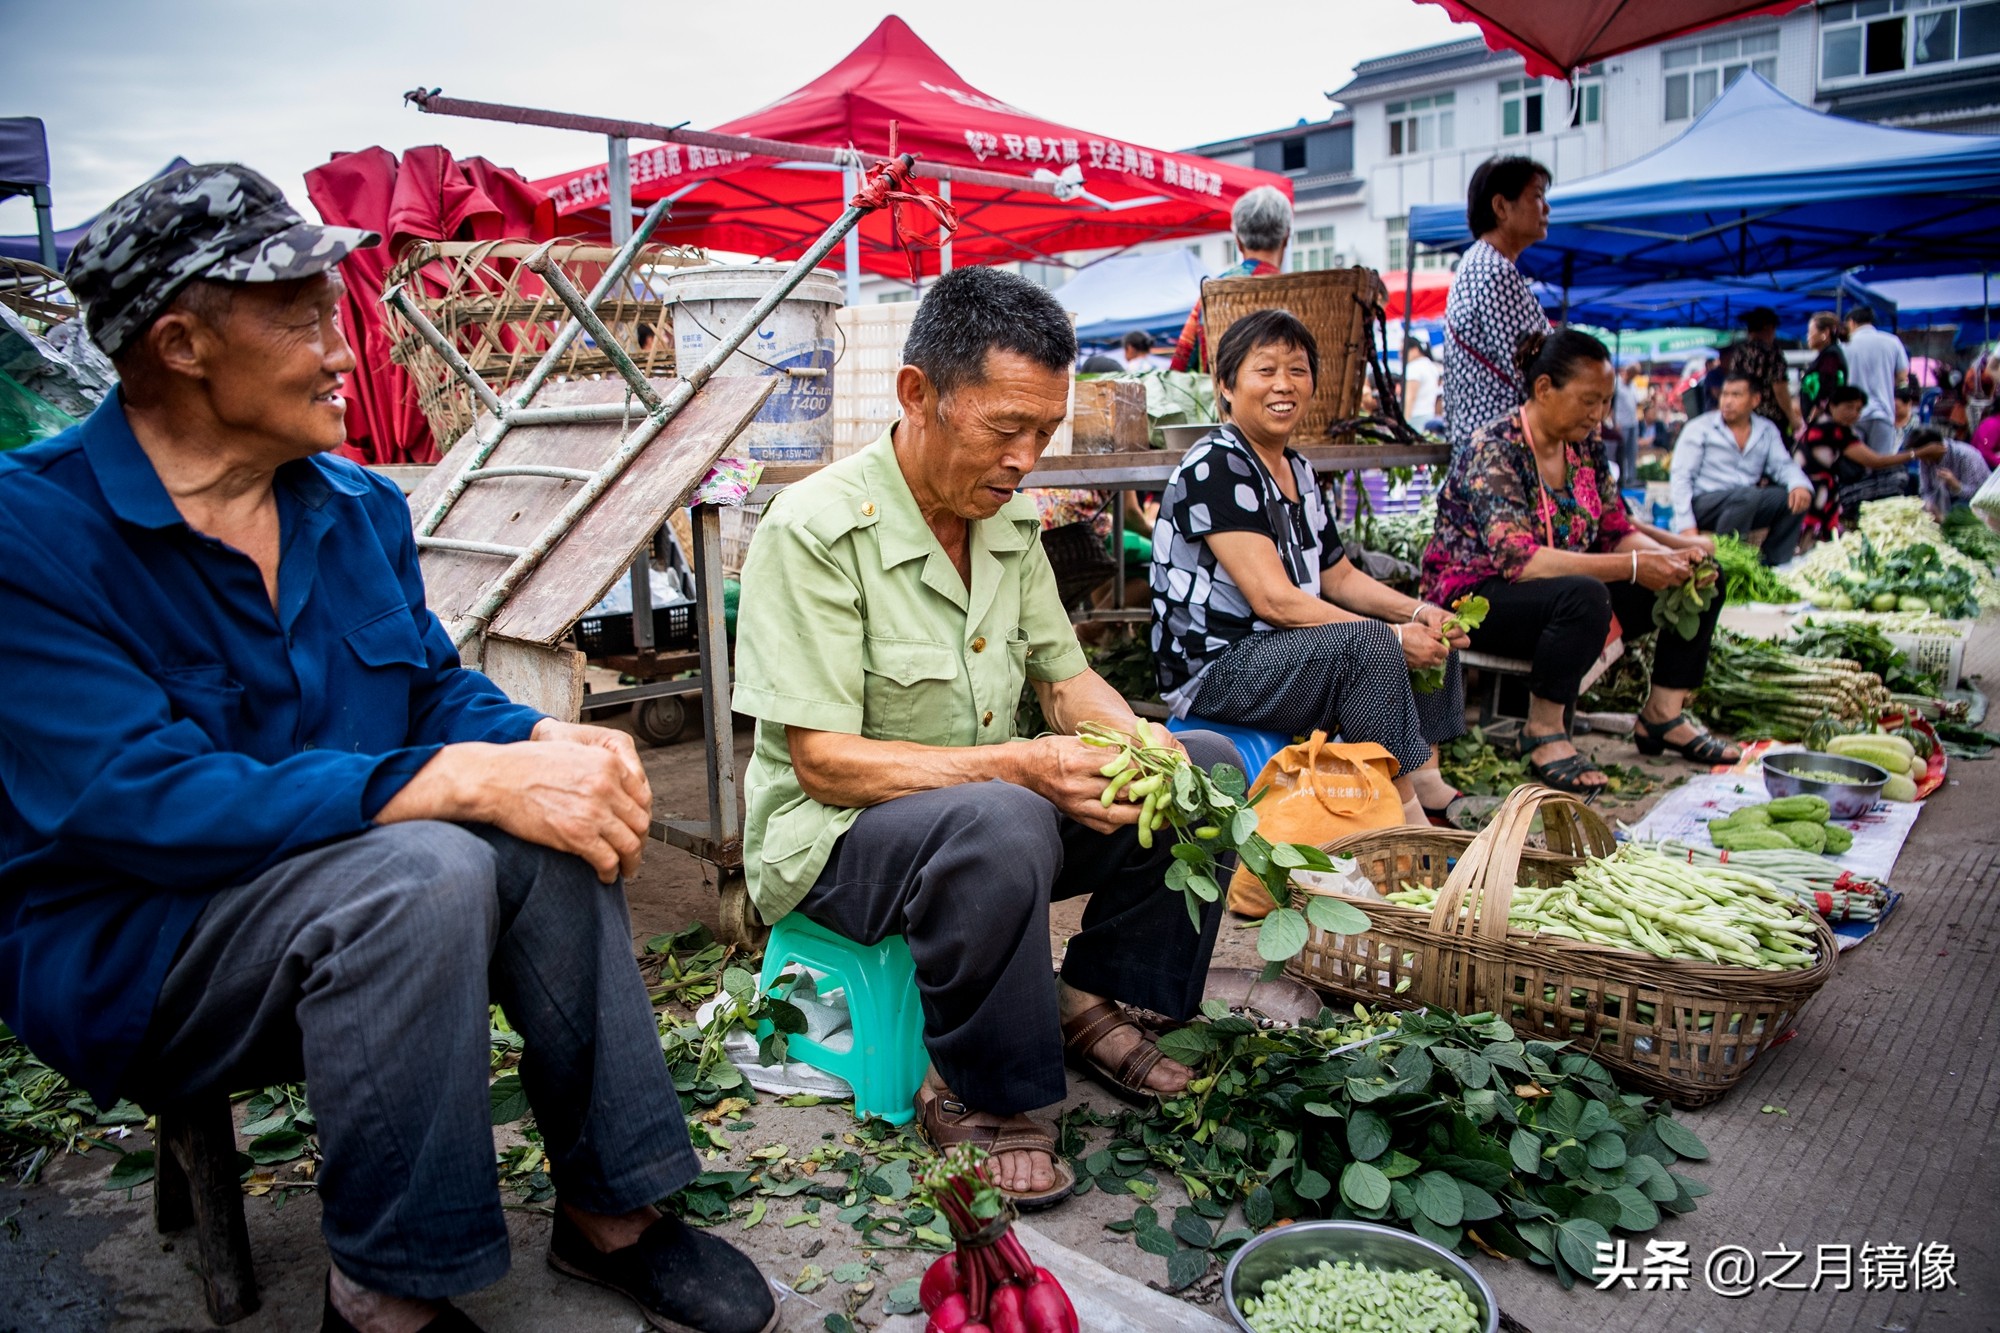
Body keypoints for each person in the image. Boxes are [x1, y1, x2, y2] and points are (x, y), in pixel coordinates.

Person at [0, 165, 776, 1333]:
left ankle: (611, 1211)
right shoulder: (30, 533)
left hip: (347, 900)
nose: (340, 347)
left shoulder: (351, 505)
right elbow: (133, 799)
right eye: (302, 316)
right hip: (146, 948)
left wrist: (534, 743)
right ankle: (381, 1296)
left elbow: (425, 695)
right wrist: (459, 780)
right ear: (181, 344)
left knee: (545, 825)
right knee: (430, 862)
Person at [732, 267, 1240, 1211]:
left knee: (1201, 767)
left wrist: (1137, 739)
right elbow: (822, 762)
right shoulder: (813, 530)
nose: (1025, 459)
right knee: (1005, 816)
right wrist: (1023, 765)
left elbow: (1064, 678)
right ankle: (980, 1087)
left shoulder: (1006, 522)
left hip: (983, 826)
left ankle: (1087, 1000)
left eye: (1043, 432)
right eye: (1004, 428)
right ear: (918, 394)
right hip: (834, 842)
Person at [1150, 309, 1470, 827]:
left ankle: (1428, 781)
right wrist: (1389, 635)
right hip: (1219, 668)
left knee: (1432, 629)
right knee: (1373, 643)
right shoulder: (1216, 465)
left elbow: (1338, 576)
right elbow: (1274, 601)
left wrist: (1418, 611)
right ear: (1226, 386)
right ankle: (1407, 819)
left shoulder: (1298, 469)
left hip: (1282, 653)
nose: (1284, 385)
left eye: (1297, 371)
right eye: (1266, 370)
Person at [1420, 328, 1737, 796]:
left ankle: (1662, 715)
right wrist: (1632, 568)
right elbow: (1519, 561)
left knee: (1702, 580)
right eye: (1590, 400)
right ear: (1545, 388)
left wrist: (1669, 560)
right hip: (1477, 600)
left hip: (1556, 594)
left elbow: (1614, 528)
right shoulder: (1495, 447)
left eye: (1606, 402)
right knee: (1587, 594)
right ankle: (1544, 731)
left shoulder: (1585, 448)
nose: (1599, 414)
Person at [1441, 157, 1552, 456]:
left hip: (1483, 450)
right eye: (1537, 196)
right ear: (1501, 206)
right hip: (1499, 453)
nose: (1546, 208)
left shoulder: (1480, 263)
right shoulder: (1494, 272)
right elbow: (1534, 367)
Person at [1669, 370, 1812, 565]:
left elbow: (1784, 465)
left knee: (1794, 497)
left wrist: (1798, 484)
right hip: (1705, 504)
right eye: (1725, 394)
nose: (1727, 401)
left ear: (1755, 400)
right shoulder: (1699, 428)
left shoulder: (1766, 430)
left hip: (1745, 503)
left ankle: (1772, 565)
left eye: (1736, 395)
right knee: (1748, 496)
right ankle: (1724, 564)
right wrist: (1686, 526)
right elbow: (1681, 478)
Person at [1168, 185, 1290, 373]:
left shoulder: (1212, 294)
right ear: (1286, 236)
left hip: (1222, 401)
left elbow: (1179, 368)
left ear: (1238, 241)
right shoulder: (1304, 294)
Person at [1844, 306, 1910, 457]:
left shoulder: (1844, 346)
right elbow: (1902, 376)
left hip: (1853, 415)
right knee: (1882, 466)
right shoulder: (1892, 342)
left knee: (1857, 466)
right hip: (1883, 413)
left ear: (1852, 322)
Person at [1731, 307, 1802, 444]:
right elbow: (1779, 388)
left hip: (1744, 417)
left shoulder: (1739, 353)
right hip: (1770, 419)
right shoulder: (1772, 353)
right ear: (1769, 328)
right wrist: (1792, 417)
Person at [1913, 424, 1992, 518]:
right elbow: (1925, 490)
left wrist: (1956, 485)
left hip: (1973, 501)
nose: (1922, 460)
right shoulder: (1925, 460)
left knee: (1957, 512)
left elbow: (1977, 494)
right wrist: (1929, 504)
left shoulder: (1965, 456)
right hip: (1946, 499)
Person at [1798, 310, 1847, 422]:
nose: (1808, 337)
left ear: (1824, 333)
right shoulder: (1827, 354)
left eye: (1810, 332)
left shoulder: (1831, 355)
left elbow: (1827, 385)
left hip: (1824, 421)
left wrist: (1816, 410)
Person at [1611, 363, 1643, 482]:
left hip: (1633, 423)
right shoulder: (1616, 384)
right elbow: (1611, 403)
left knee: (1632, 452)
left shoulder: (1633, 385)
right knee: (1622, 452)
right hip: (1621, 423)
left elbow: (1637, 401)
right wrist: (1615, 422)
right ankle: (1621, 478)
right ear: (1629, 372)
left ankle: (1631, 478)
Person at [1402, 338, 1442, 428]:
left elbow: (1410, 397)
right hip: (1429, 414)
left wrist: (1405, 421)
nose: (1401, 355)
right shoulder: (1430, 365)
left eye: (1402, 351)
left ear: (1415, 350)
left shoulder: (1413, 367)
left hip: (1415, 416)